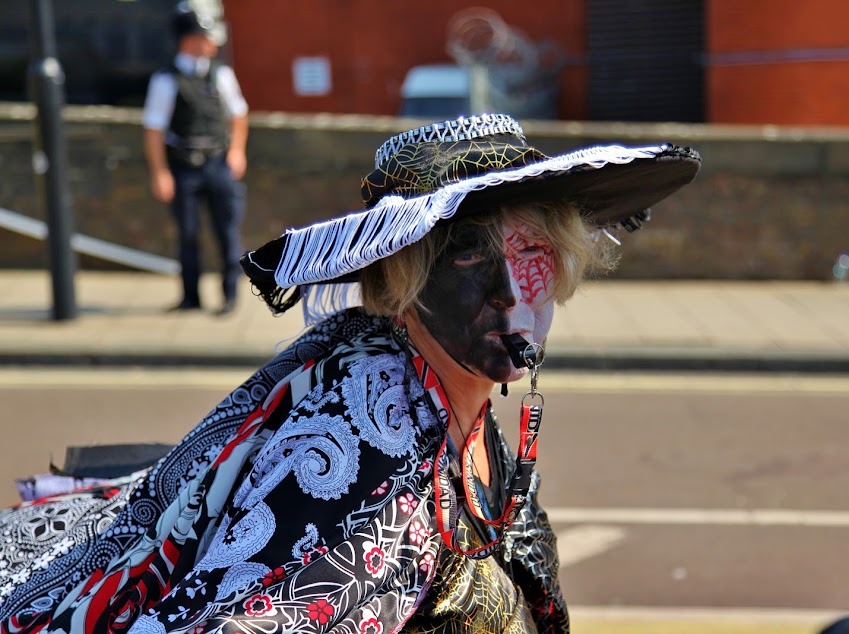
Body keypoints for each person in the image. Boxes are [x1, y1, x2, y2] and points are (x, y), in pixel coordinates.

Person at [0, 113, 699, 633]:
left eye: (533, 252)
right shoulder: (369, 444)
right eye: (468, 255)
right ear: (403, 278)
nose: (511, 291)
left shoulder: (455, 401)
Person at [143, 3, 249, 315]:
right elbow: (154, 130)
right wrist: (160, 172)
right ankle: (191, 297)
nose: (212, 43)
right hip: (183, 164)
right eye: (205, 37)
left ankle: (230, 295)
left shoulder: (220, 74)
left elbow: (238, 115)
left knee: (227, 230)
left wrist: (237, 151)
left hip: (217, 161)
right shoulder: (166, 80)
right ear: (188, 40)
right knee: (187, 233)